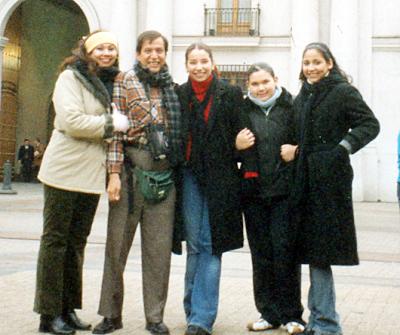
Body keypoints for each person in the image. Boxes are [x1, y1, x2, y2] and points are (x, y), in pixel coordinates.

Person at [281, 42, 380, 335]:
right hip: (304, 183)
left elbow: (369, 124)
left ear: (329, 64)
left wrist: (342, 148)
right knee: (312, 252)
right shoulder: (302, 98)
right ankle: (318, 320)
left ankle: (327, 323)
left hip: (329, 184)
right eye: (306, 62)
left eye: (316, 62)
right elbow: (304, 139)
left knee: (320, 253)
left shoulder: (343, 92)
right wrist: (295, 152)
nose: (310, 67)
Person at [34, 31, 128, 335]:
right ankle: (48, 315)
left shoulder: (112, 82)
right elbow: (72, 121)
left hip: (89, 175)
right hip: (64, 170)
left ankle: (68, 308)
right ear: (87, 51)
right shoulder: (70, 79)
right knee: (55, 241)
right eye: (100, 47)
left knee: (76, 243)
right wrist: (112, 124)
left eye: (111, 48)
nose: (106, 53)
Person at [92, 30, 181, 335]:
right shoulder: (124, 81)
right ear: (138, 53)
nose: (154, 55)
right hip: (130, 173)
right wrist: (113, 173)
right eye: (148, 50)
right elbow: (116, 131)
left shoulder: (173, 87)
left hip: (164, 176)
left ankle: (154, 317)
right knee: (116, 247)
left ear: (165, 54)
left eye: (159, 50)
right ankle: (111, 315)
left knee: (158, 252)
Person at [175, 42, 244, 335]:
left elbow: (241, 134)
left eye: (204, 60)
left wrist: (237, 147)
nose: (199, 66)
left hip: (221, 179)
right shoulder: (179, 94)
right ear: (187, 65)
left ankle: (202, 317)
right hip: (190, 176)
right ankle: (192, 308)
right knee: (194, 243)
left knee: (210, 244)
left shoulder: (230, 93)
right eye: (193, 61)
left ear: (212, 63)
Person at [236, 62, 305, 334]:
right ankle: (268, 313)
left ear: (275, 80)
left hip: (284, 195)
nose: (261, 88)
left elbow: (306, 141)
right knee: (261, 255)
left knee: (285, 254)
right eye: (255, 84)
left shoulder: (292, 107)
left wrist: (297, 150)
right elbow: (228, 148)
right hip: (254, 195)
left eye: (265, 82)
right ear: (248, 86)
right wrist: (236, 146)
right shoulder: (242, 111)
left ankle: (292, 316)